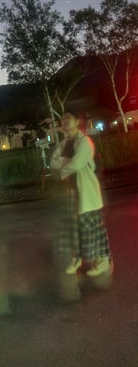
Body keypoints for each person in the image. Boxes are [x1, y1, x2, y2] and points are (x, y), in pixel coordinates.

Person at [50, 111, 113, 278]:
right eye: (62, 119)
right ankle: (77, 259)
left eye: (68, 118)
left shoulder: (85, 142)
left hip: (86, 193)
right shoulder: (64, 144)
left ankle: (103, 260)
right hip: (71, 193)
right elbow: (52, 162)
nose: (64, 121)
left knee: (92, 227)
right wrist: (63, 163)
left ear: (78, 122)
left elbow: (77, 164)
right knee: (74, 229)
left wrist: (62, 168)